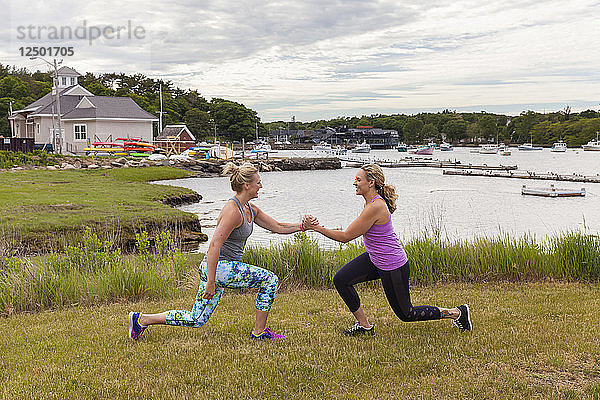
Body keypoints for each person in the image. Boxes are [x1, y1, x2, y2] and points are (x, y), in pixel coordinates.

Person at [129, 162, 309, 340]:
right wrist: (211, 281)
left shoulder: (250, 209)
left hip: (223, 268)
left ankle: (142, 320)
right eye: (258, 182)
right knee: (269, 280)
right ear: (247, 185)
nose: (260, 186)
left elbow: (277, 227)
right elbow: (214, 244)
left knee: (196, 319)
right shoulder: (233, 211)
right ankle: (259, 332)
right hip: (218, 268)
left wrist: (302, 226)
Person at [304, 164, 472, 336]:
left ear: (371, 183)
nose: (354, 183)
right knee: (341, 279)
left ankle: (458, 312)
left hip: (392, 264)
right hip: (375, 258)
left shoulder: (375, 207)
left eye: (358, 179)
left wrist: (316, 228)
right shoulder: (371, 203)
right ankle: (364, 326)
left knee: (407, 314)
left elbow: (346, 237)